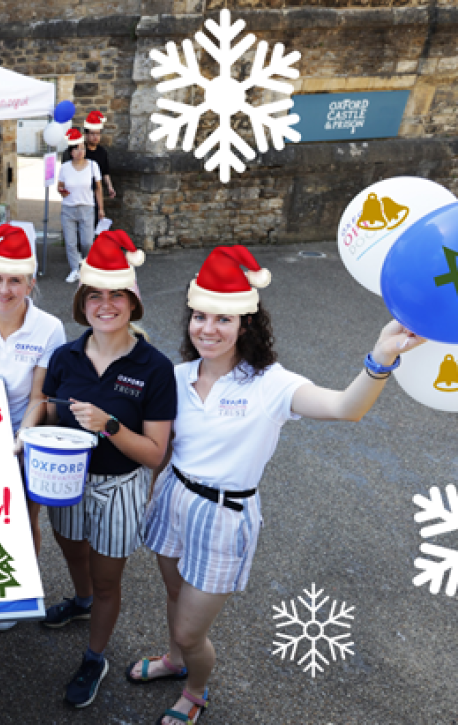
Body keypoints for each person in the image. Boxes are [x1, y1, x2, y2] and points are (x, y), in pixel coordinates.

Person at [129, 246, 424, 725]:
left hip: (224, 516)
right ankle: (174, 661)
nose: (207, 328)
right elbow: (160, 445)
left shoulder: (270, 384)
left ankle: (195, 689)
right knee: (173, 596)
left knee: (190, 627)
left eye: (223, 319)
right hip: (174, 497)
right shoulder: (177, 376)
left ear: (245, 324)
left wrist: (380, 358)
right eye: (199, 316)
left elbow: (346, 407)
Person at [37, 230, 176, 708]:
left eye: (117, 294)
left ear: (132, 302)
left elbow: (157, 454)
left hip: (118, 486)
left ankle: (95, 655)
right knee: (72, 552)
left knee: (107, 580)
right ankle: (80, 603)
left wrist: (110, 425)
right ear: (82, 303)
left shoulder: (153, 367)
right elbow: (50, 416)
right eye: (95, 294)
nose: (106, 304)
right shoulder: (65, 357)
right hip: (66, 482)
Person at [0, 224, 67, 630]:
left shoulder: (49, 328)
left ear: (30, 284)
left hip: (29, 433)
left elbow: (40, 395)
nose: (4, 289)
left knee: (23, 518)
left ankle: (19, 587)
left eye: (14, 281)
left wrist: (19, 439)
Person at [58, 128, 104, 284]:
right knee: (70, 242)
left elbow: (98, 188)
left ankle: (86, 266)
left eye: (82, 148)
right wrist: (61, 191)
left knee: (87, 242)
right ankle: (75, 269)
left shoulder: (93, 166)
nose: (80, 151)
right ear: (71, 152)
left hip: (87, 208)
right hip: (68, 209)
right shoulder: (64, 168)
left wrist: (101, 208)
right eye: (77, 148)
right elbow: (60, 186)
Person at [82, 110, 116, 205]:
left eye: (98, 134)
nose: (95, 137)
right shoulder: (80, 151)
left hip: (96, 193)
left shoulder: (102, 152)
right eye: (92, 134)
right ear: (86, 135)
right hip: (81, 193)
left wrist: (110, 187)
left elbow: (105, 172)